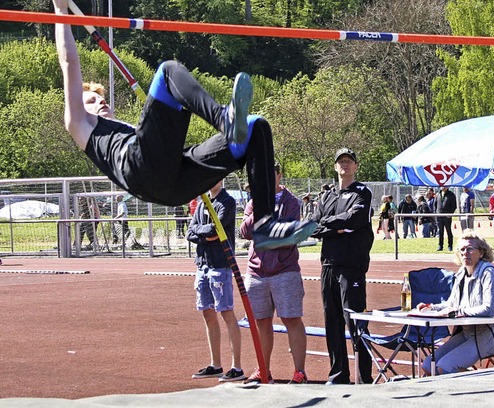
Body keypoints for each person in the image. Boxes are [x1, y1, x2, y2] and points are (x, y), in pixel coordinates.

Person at [53, 0, 315, 251]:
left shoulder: (124, 130)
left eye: (103, 98)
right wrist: (59, 9)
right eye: (92, 100)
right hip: (141, 170)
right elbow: (69, 63)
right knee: (168, 71)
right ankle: (225, 120)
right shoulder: (80, 125)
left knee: (255, 126)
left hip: (174, 184)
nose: (101, 102)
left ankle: (264, 223)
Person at [311, 148, 374, 385]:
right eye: (341, 162)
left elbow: (355, 220)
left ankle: (363, 375)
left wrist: (332, 227)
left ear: (356, 166)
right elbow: (313, 226)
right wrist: (335, 228)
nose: (344, 165)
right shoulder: (327, 195)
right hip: (328, 265)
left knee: (355, 320)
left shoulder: (362, 192)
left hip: (351, 266)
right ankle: (338, 374)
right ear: (335, 167)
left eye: (349, 161)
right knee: (333, 321)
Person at [240, 163, 308, 385]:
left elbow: (287, 234)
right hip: (256, 273)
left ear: (279, 175)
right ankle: (263, 369)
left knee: (291, 319)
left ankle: (299, 372)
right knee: (261, 322)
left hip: (284, 271)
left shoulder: (291, 202)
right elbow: (245, 231)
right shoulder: (253, 202)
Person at [417, 230, 494, 375]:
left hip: (491, 336)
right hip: (467, 334)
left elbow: (489, 310)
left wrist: (458, 313)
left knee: (444, 367)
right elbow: (452, 304)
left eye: (470, 249)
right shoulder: (461, 273)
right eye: (461, 249)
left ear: (481, 253)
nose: (465, 253)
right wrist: (431, 307)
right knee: (428, 364)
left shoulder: (488, 273)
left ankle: (477, 386)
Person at [186, 181, 245, 382]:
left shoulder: (226, 202)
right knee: (207, 312)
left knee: (226, 312)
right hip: (202, 264)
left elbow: (215, 230)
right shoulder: (203, 202)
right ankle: (216, 364)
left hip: (221, 264)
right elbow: (190, 231)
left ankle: (236, 367)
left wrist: (202, 233)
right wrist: (204, 234)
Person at [435, 187, 457, 251]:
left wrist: (450, 214)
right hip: (439, 216)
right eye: (442, 186)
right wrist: (436, 213)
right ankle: (440, 245)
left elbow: (454, 206)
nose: (443, 187)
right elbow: (435, 205)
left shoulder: (451, 194)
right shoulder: (438, 194)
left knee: (448, 231)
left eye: (445, 186)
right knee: (440, 231)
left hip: (447, 216)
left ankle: (450, 246)